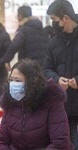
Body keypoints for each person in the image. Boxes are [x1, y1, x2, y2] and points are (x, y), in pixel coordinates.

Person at [0, 58, 72, 150]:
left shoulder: (51, 101)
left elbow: (60, 143)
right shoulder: (10, 102)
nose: (13, 84)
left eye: (18, 81)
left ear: (31, 83)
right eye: (11, 80)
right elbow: (2, 140)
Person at [43, 0, 78, 148]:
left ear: (65, 18)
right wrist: (57, 80)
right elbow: (46, 68)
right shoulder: (53, 42)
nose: (53, 24)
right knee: (70, 144)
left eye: (54, 19)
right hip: (65, 105)